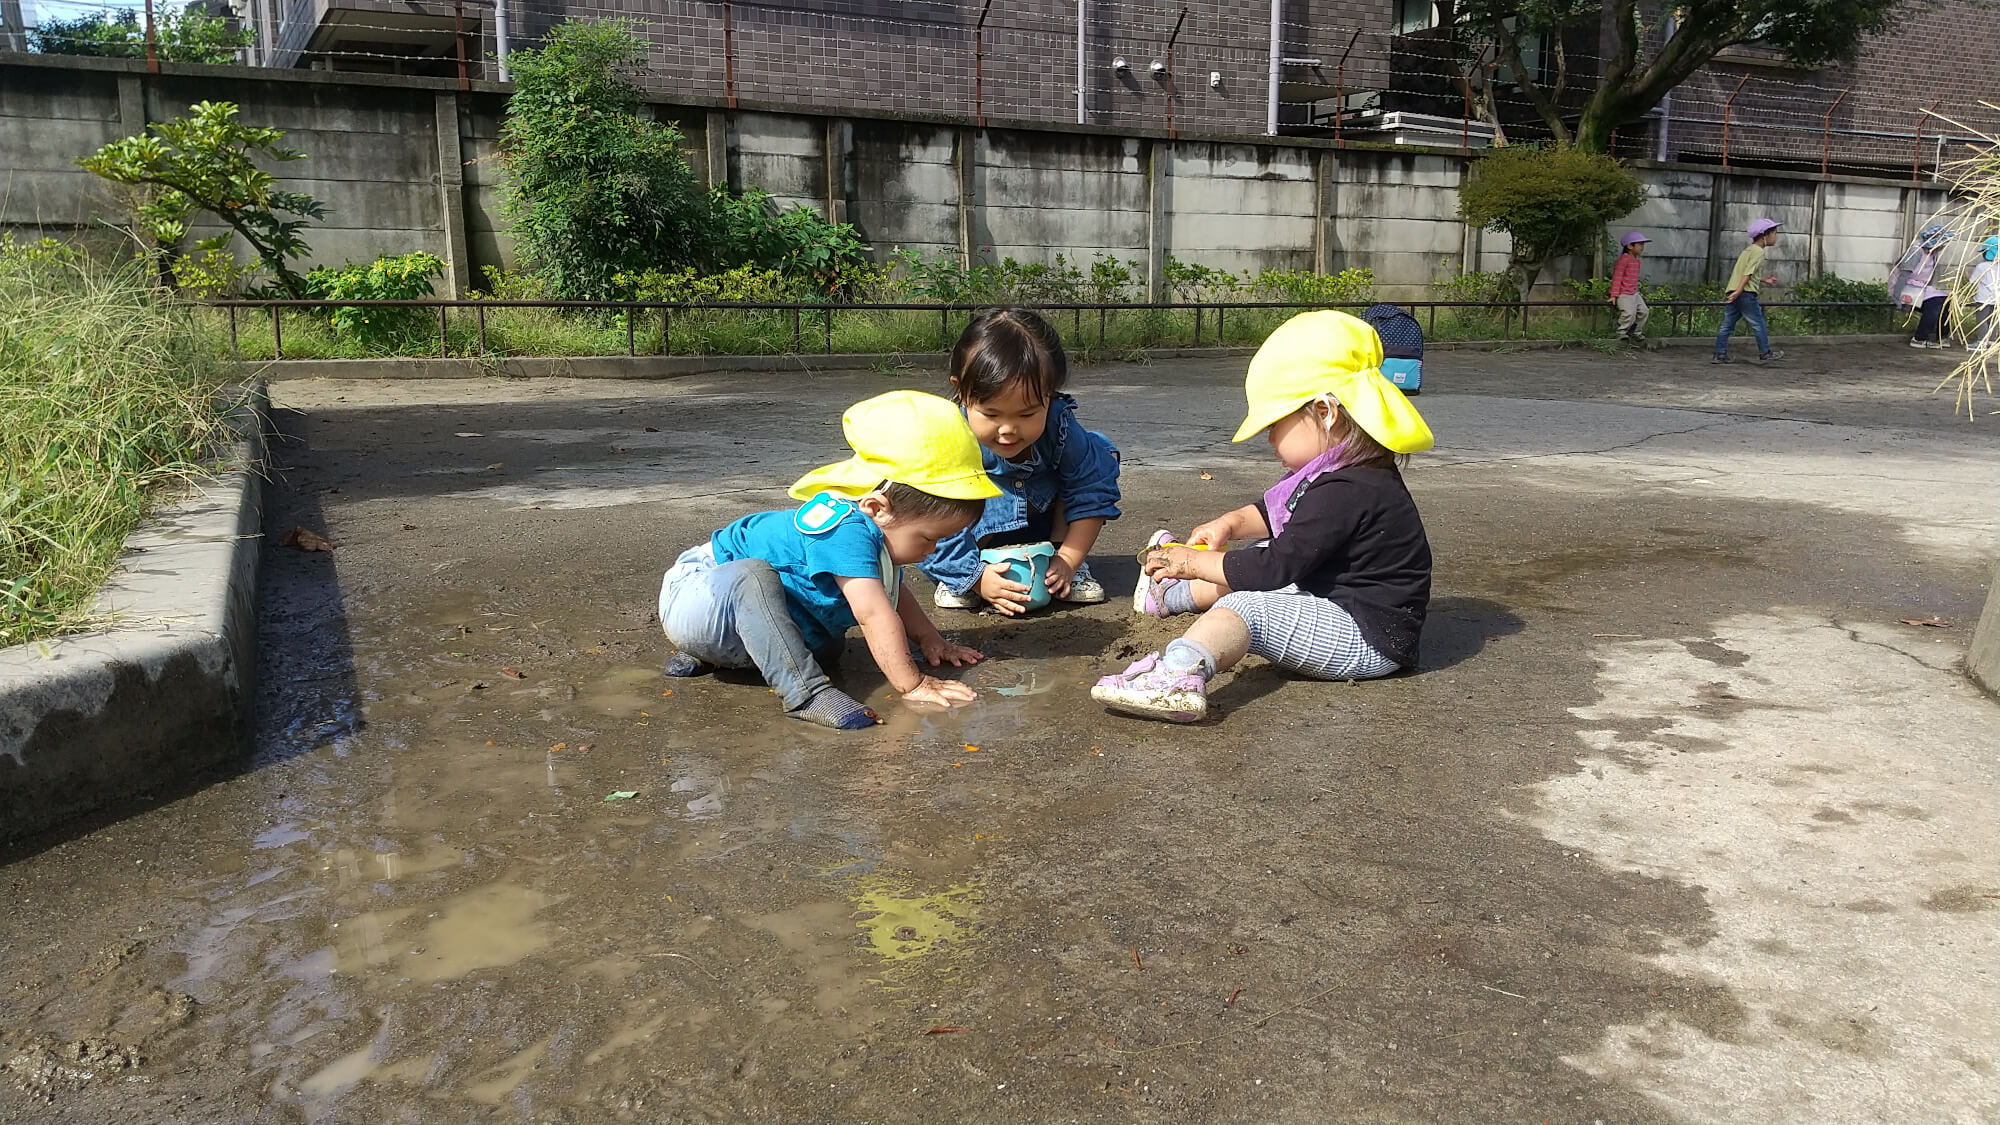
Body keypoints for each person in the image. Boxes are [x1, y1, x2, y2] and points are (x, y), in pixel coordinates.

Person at [1091, 310, 1434, 723]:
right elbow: (1282, 516)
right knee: (1259, 555)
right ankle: (1166, 595)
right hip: (1342, 604)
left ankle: (1177, 675)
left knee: (1249, 603)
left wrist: (1193, 561)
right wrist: (1230, 524)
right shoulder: (1344, 468)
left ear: (1325, 411)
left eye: (1275, 423)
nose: (1268, 437)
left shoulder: (1348, 489)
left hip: (1366, 637)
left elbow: (1273, 569)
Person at [658, 391, 995, 730]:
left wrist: (929, 639)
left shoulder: (877, 529)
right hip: (699, 597)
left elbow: (893, 595)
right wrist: (914, 683)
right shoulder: (845, 530)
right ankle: (806, 694)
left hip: (739, 627)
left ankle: (721, 659)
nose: (933, 551)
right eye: (928, 538)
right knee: (754, 576)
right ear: (878, 508)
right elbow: (873, 613)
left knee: (828, 649)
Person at [922, 308, 1122, 616]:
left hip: (1040, 522)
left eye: (1027, 414)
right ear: (961, 391)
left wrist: (1069, 558)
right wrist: (973, 579)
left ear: (1051, 395)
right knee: (938, 500)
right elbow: (926, 515)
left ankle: (1061, 560)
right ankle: (958, 575)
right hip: (971, 535)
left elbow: (1090, 489)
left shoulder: (1060, 425)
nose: (1007, 430)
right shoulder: (948, 436)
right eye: (991, 414)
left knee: (1097, 456)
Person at [1713, 218, 1786, 365]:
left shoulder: (1747, 250)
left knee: (1727, 324)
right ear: (1765, 235)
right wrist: (1740, 291)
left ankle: (1719, 354)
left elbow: (1745, 273)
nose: (1776, 236)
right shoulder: (1758, 252)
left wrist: (1763, 280)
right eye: (1774, 233)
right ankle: (1765, 353)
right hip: (1745, 293)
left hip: (1734, 291)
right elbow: (1747, 274)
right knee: (1758, 323)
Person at [1897, 222, 1957, 349]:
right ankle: (1919, 338)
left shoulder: (1932, 253)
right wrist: (1898, 298)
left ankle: (1942, 337)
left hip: (1922, 288)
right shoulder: (1916, 251)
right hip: (1909, 287)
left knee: (1946, 302)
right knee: (1934, 304)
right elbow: (1902, 274)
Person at [1610, 232, 1651, 346]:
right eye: (1640, 244)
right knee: (1629, 313)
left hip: (1634, 293)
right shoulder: (1623, 260)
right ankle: (1621, 331)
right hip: (1624, 293)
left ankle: (1635, 331)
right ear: (1630, 246)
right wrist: (1614, 295)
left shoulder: (1637, 260)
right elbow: (1617, 278)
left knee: (1644, 311)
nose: (1642, 247)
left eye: (1643, 244)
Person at [1971, 235, 2000, 354]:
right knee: (1993, 320)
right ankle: (1992, 341)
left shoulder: (1981, 266)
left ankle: (1981, 342)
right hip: (1997, 298)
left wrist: (1966, 273)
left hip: (1983, 298)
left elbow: (1973, 281)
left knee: (1982, 320)